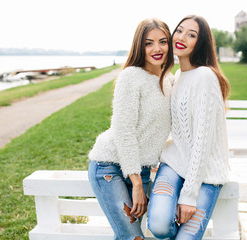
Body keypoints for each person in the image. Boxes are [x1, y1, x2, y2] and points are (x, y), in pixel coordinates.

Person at [87, 18, 174, 240]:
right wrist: (136, 182)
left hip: (143, 168)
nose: (157, 48)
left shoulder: (170, 80)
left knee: (129, 235)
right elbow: (124, 130)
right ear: (139, 46)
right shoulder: (131, 76)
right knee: (133, 237)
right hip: (110, 166)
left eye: (163, 41)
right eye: (149, 43)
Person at [147, 15, 230, 240]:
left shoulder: (205, 76)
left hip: (206, 174)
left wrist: (188, 196)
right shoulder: (178, 76)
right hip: (174, 163)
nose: (182, 37)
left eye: (191, 35)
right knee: (159, 224)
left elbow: (202, 142)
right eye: (180, 31)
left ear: (200, 43)